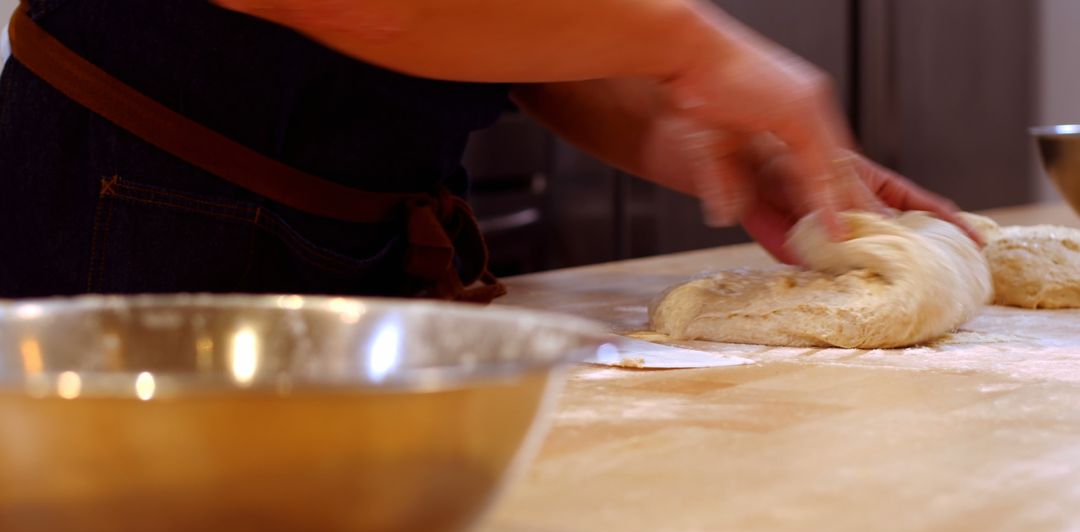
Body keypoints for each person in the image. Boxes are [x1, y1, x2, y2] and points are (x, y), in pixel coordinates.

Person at [0, 0, 978, 302]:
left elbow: (515, 42)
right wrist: (690, 45)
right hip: (140, 217)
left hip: (355, 238)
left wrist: (721, 138)